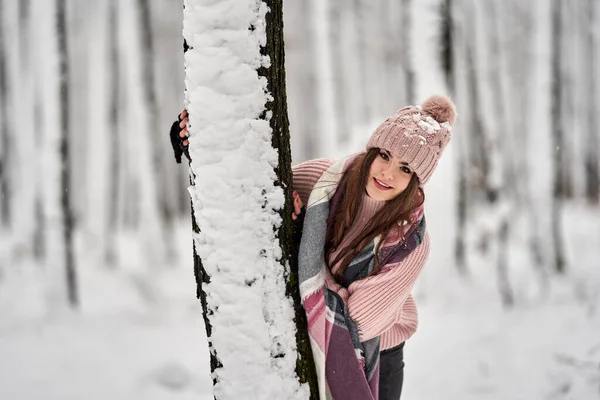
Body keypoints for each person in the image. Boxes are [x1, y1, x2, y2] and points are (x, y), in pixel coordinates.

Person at [171, 95, 456, 400]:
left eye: (406, 169)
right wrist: (202, 144)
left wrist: (301, 241)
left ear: (417, 181)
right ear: (371, 151)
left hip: (377, 356)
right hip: (316, 336)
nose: (387, 173)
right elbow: (256, 189)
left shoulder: (410, 243)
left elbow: (357, 320)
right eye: (384, 155)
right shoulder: (327, 182)